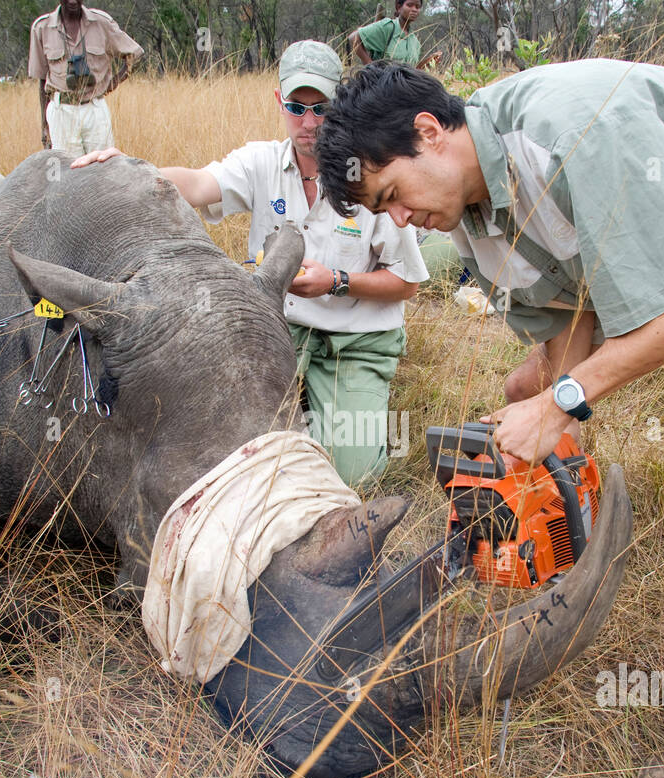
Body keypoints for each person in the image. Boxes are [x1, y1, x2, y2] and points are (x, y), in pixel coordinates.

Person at [315, 60, 664, 778]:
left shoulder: (574, 130)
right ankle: (557, 543)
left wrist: (564, 401)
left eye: (391, 197)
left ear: (429, 134)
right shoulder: (473, 221)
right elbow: (573, 328)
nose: (399, 222)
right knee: (520, 396)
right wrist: (546, 409)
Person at [73, 41, 427, 487]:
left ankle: (349, 407)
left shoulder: (369, 169)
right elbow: (199, 183)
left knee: (348, 476)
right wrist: (133, 172)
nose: (309, 122)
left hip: (355, 339)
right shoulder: (260, 162)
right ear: (280, 102)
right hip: (278, 327)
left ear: (339, 106)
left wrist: (335, 282)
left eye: (321, 109)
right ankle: (301, 409)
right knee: (220, 441)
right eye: (297, 107)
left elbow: (406, 282)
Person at [29, 1, 143, 159]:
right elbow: (42, 80)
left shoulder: (101, 22)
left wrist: (111, 84)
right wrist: (45, 126)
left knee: (103, 167)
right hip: (61, 109)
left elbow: (135, 54)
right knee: (61, 173)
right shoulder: (42, 27)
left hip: (94, 108)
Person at [350, 0, 441, 69]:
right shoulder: (388, 27)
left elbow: (412, 72)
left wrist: (428, 62)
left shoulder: (415, 42)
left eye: (417, 7)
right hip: (379, 89)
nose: (414, 9)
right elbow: (353, 38)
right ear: (399, 7)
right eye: (409, 5)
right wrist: (371, 69)